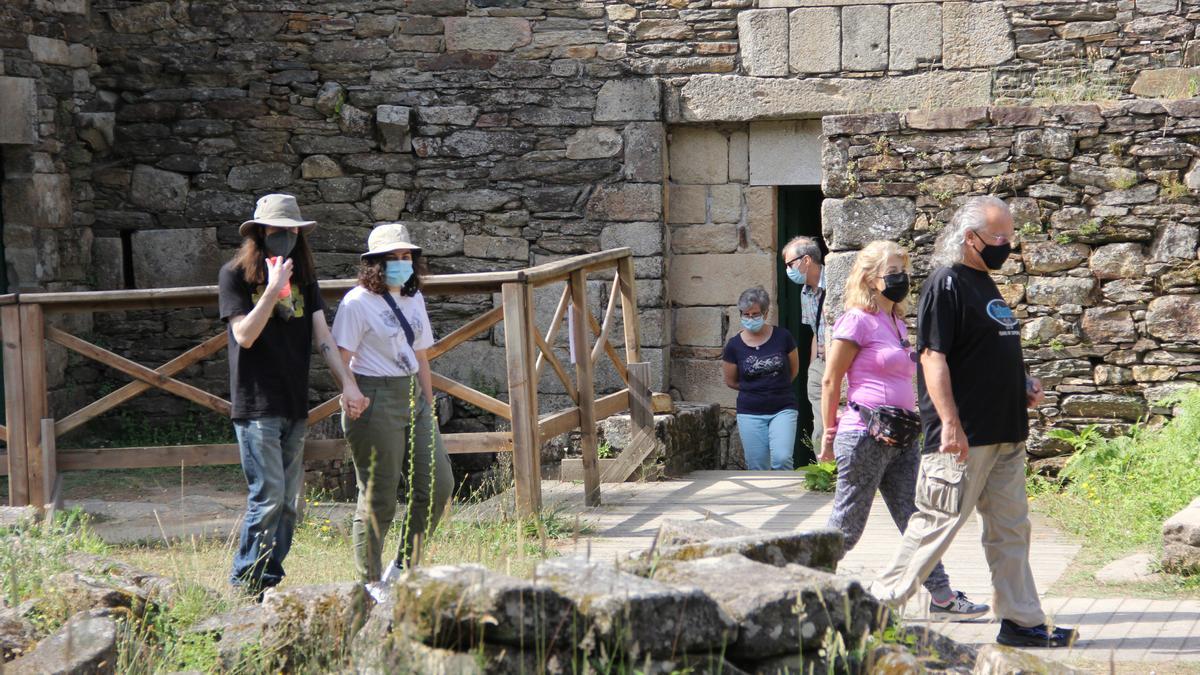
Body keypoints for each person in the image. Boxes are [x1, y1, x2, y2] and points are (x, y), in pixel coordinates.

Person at [870, 196, 1078, 648]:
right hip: (964, 436)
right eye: (998, 237)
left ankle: (1021, 622)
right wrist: (949, 423)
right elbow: (932, 356)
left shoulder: (986, 283)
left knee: (1010, 531)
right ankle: (871, 611)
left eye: (1009, 236)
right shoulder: (947, 284)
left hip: (1005, 432)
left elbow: (987, 351)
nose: (1007, 245)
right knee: (936, 525)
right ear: (970, 238)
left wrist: (1024, 381)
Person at [820, 240, 988, 621]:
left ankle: (942, 597)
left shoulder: (896, 321)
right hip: (864, 434)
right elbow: (831, 381)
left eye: (904, 272)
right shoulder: (856, 320)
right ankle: (806, 587)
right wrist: (828, 433)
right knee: (847, 526)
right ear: (870, 278)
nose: (901, 279)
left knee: (918, 518)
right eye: (893, 273)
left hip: (901, 436)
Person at [220, 193, 368, 598]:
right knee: (266, 498)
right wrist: (271, 291)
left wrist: (348, 384)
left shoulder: (305, 280)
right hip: (255, 405)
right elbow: (244, 336)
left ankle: (268, 581)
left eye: (291, 232)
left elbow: (323, 337)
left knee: (289, 505)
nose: (284, 238)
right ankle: (243, 583)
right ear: (259, 235)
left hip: (293, 403)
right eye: (276, 232)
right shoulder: (234, 275)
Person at [332, 222, 453, 596]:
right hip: (374, 395)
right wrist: (350, 392)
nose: (403, 263)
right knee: (379, 496)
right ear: (375, 264)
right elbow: (341, 357)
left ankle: (402, 567)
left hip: (412, 395)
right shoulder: (355, 303)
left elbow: (421, 356)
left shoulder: (413, 298)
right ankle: (369, 583)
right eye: (394, 258)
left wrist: (429, 404)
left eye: (407, 257)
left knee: (438, 485)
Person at [722, 287, 800, 470]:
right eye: (746, 314)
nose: (750, 318)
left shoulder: (783, 337)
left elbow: (793, 370)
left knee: (782, 458)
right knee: (757, 464)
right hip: (750, 411)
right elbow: (731, 380)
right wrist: (756, 388)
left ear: (765, 313)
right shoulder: (734, 346)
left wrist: (775, 385)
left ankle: (788, 498)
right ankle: (763, 499)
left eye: (755, 314)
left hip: (783, 407)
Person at [782, 236, 826, 455]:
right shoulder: (805, 293)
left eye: (790, 264)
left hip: (844, 365)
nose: (788, 270)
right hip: (820, 365)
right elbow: (815, 332)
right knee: (820, 424)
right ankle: (826, 471)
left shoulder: (839, 282)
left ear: (806, 259)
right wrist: (813, 368)